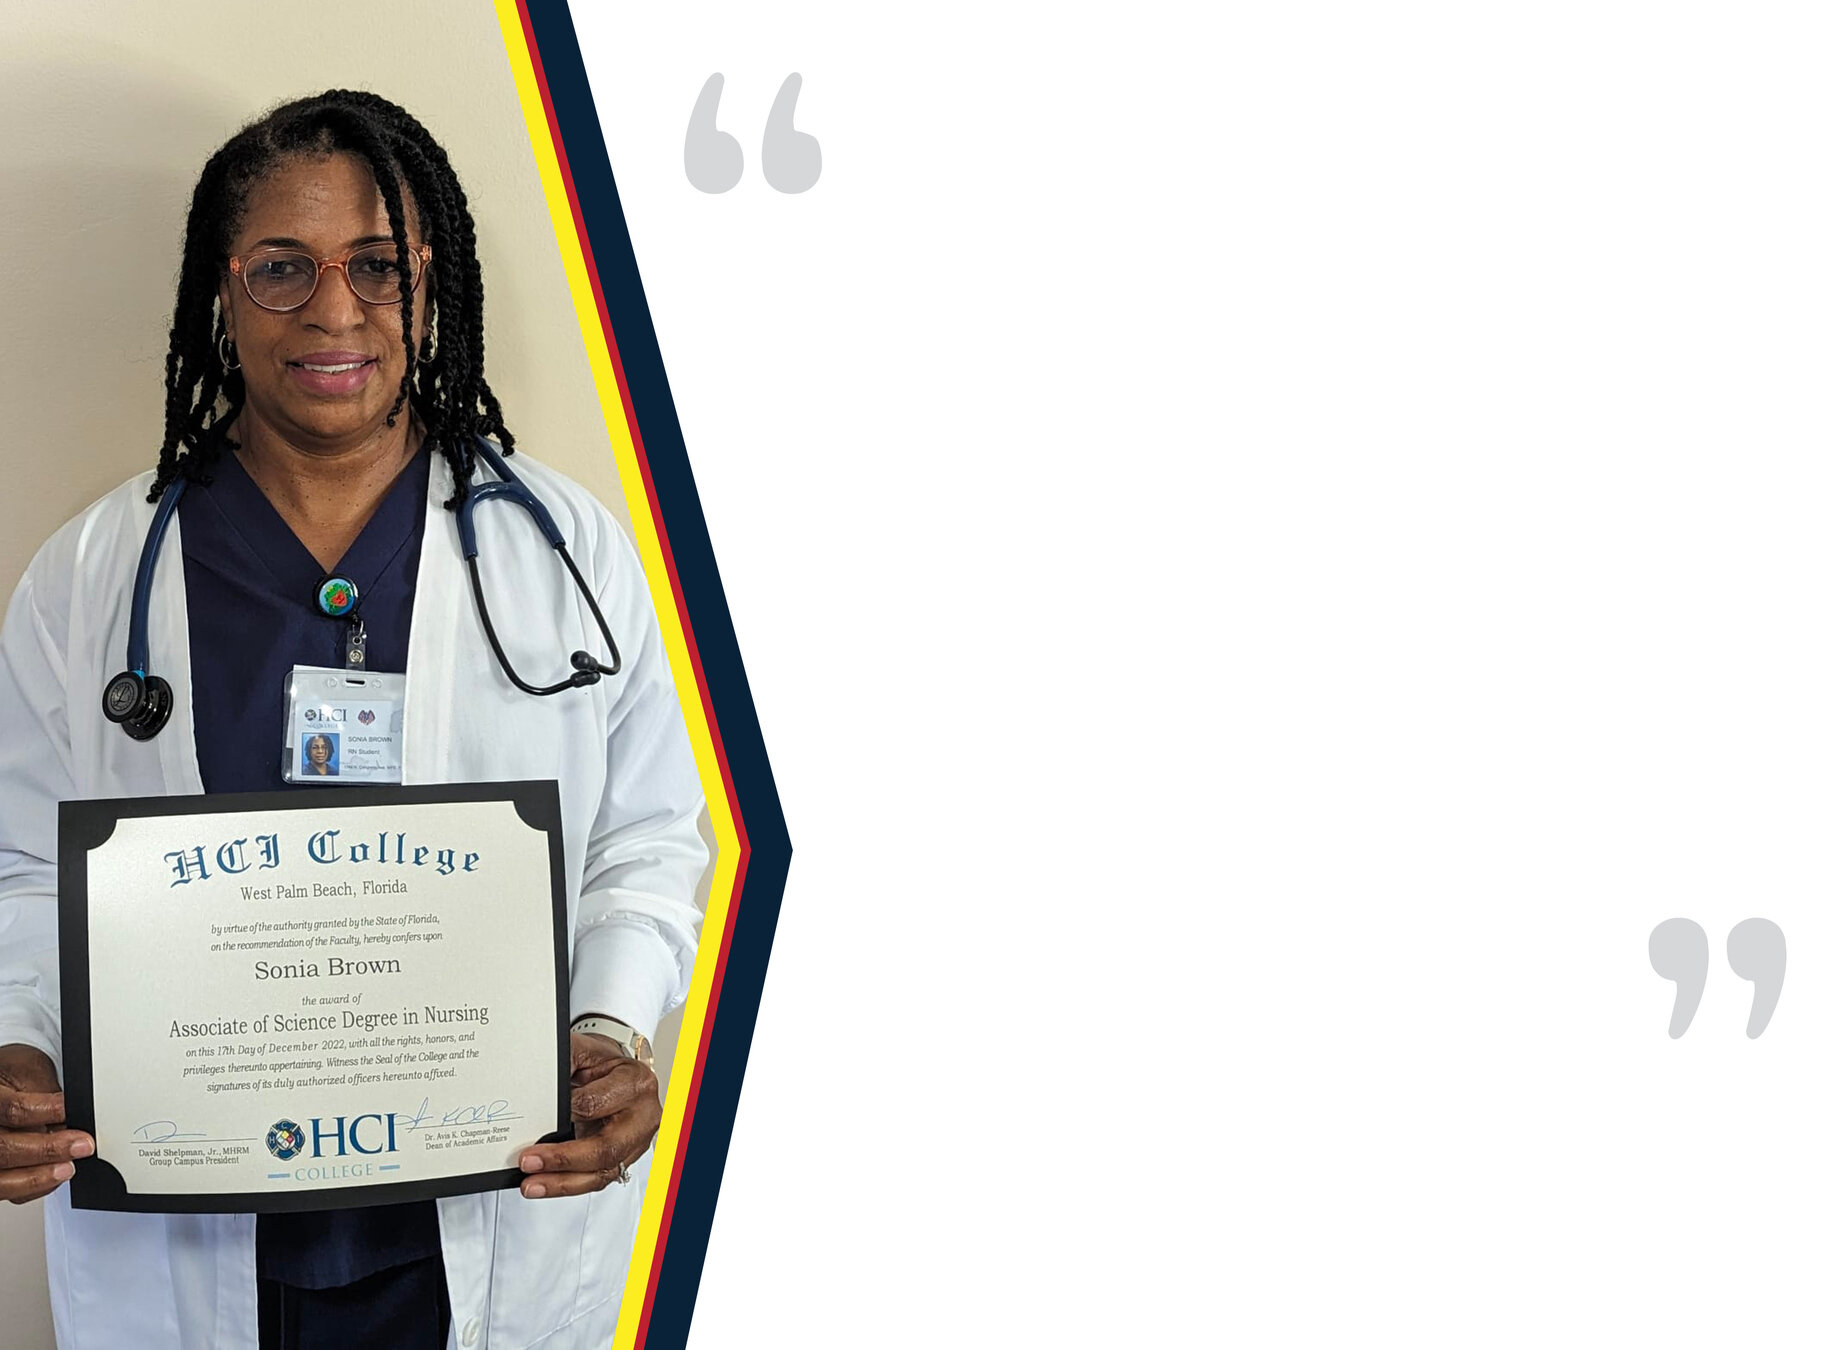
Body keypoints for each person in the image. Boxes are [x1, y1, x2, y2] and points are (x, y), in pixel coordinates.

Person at [0, 91, 707, 1349]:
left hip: (483, 1211)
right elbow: (22, 863)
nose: (334, 312)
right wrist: (18, 1047)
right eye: (281, 267)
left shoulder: (565, 554)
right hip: (183, 1218)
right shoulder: (91, 576)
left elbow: (645, 841)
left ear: (429, 283)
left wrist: (608, 1031)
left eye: (377, 265)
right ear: (221, 292)